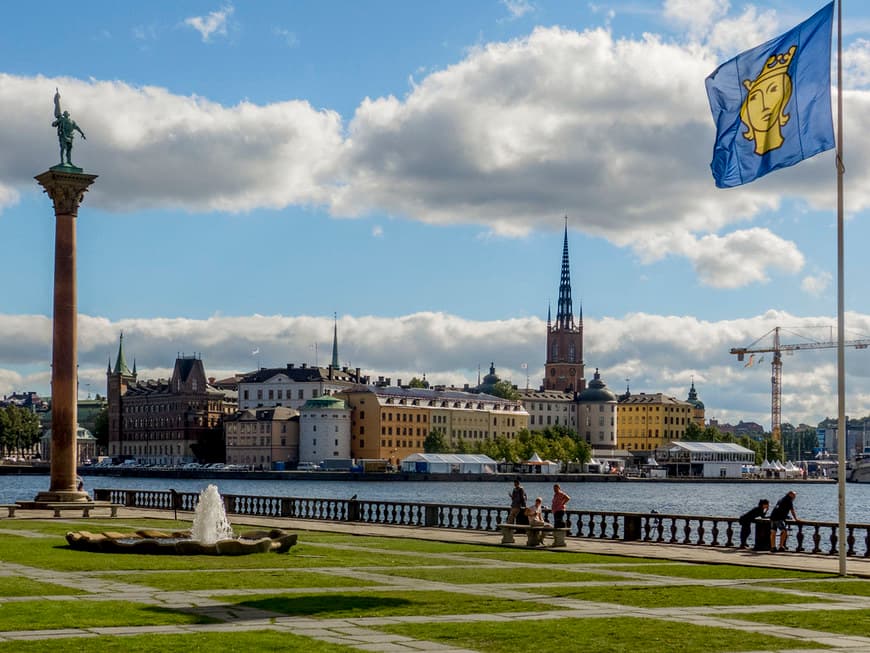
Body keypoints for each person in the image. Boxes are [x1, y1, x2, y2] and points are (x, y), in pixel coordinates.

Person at [52, 90, 86, 167]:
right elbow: (54, 123)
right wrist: (55, 123)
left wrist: (82, 133)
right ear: (64, 114)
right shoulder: (61, 119)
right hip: (63, 135)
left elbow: (77, 127)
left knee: (69, 149)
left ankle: (69, 161)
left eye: (67, 113)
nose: (66, 114)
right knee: (63, 148)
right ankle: (62, 161)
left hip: (70, 136)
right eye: (65, 113)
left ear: (68, 114)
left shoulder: (72, 121)